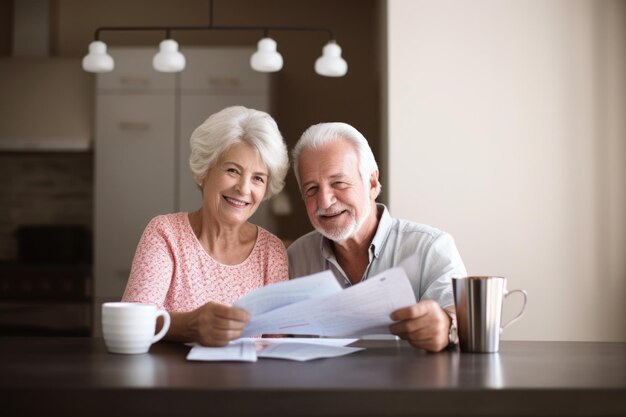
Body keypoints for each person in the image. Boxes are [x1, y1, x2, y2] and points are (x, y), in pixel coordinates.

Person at [287, 122, 467, 352]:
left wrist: (447, 326)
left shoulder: (431, 247)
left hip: (407, 385)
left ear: (372, 183)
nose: (324, 201)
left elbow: (462, 320)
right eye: (311, 189)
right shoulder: (295, 258)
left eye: (339, 183)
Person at [122, 106, 289, 347]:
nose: (243, 188)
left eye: (258, 178)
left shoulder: (271, 251)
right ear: (203, 172)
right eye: (233, 170)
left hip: (247, 383)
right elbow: (132, 320)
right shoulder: (165, 233)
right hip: (170, 381)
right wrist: (189, 325)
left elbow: (277, 344)